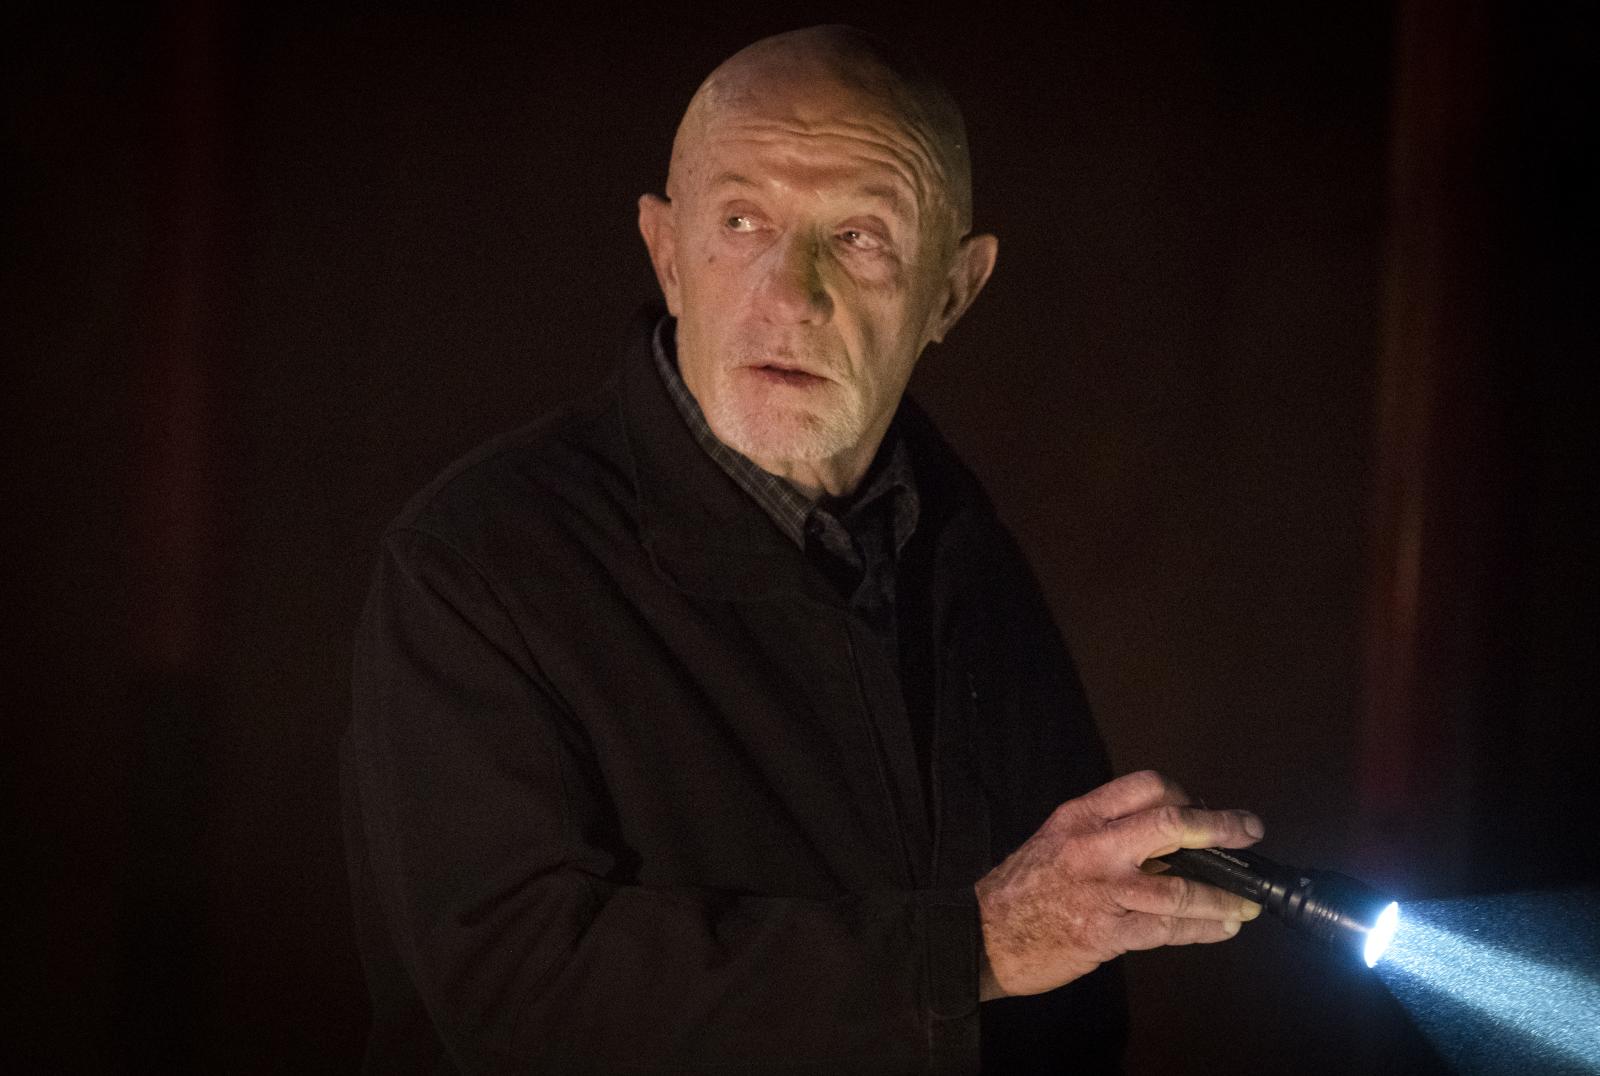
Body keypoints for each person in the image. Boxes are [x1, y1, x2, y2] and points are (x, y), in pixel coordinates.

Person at [342, 24, 1264, 1074]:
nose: (791, 294)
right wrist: (973, 947)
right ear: (667, 253)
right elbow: (519, 996)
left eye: (860, 236)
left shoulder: (967, 555)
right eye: (742, 222)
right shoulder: (476, 561)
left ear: (953, 292)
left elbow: (1072, 1019)